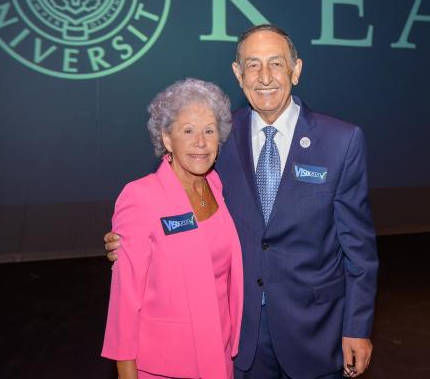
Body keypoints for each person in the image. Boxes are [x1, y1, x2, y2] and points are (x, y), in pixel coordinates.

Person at [105, 25, 378, 378]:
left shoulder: (341, 140)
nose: (264, 77)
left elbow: (359, 250)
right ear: (237, 73)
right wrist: (126, 240)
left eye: (276, 63)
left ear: (296, 70)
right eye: (252, 65)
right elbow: (164, 194)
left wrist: (357, 327)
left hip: (315, 330)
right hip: (240, 334)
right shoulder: (218, 136)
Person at [101, 78, 243, 379]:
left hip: (220, 355)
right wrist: (126, 371)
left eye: (209, 130)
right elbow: (125, 301)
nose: (201, 142)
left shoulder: (216, 186)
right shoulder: (141, 196)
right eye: (188, 131)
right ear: (167, 138)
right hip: (167, 365)